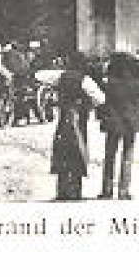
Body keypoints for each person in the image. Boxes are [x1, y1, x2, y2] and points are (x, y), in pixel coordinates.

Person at [51, 57, 106, 201]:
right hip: (79, 119)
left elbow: (40, 77)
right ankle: (75, 190)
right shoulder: (85, 80)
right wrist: (89, 105)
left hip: (64, 119)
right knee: (77, 152)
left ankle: (61, 190)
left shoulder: (60, 76)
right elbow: (100, 99)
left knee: (62, 152)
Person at [99, 53, 139, 200]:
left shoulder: (108, 84)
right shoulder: (137, 83)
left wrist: (103, 117)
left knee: (109, 156)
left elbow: (102, 104)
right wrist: (138, 115)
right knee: (127, 155)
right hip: (131, 122)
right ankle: (123, 190)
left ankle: (107, 190)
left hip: (113, 123)